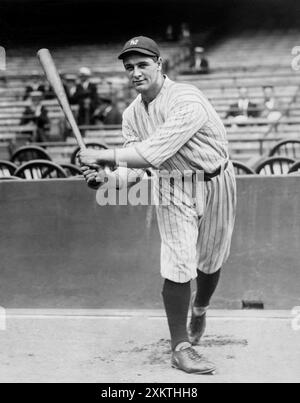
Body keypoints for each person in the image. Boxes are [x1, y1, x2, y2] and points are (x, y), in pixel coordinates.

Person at [79, 36, 237, 375]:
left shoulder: (187, 99)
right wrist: (105, 178)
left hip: (216, 179)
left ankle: (201, 306)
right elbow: (135, 170)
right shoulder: (132, 115)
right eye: (129, 67)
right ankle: (180, 346)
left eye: (142, 64)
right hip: (172, 185)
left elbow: (153, 152)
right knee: (179, 260)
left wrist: (103, 154)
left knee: (210, 261)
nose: (136, 72)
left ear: (159, 64)